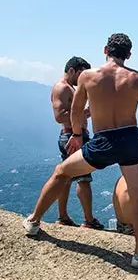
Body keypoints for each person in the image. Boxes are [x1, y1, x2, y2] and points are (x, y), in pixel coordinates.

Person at [23, 33, 138, 268]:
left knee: (62, 172)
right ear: (128, 55)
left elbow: (76, 111)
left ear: (105, 49)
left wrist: (76, 136)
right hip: (130, 139)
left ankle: (34, 222)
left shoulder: (87, 76)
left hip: (103, 140)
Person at [51, 56, 103, 229]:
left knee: (65, 176)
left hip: (73, 134)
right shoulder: (62, 88)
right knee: (83, 178)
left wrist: (84, 113)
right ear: (72, 70)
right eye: (80, 74)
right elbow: (59, 116)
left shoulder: (69, 89)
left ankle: (62, 217)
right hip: (72, 136)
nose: (82, 79)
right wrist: (80, 115)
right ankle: (89, 220)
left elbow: (73, 113)